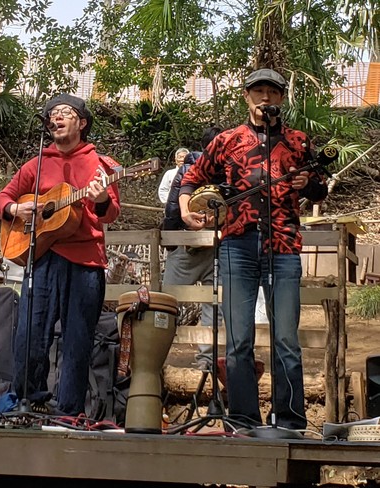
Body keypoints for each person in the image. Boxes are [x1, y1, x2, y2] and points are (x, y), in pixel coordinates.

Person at [178, 68, 327, 430]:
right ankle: (243, 418)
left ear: (281, 98)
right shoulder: (228, 140)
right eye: (258, 91)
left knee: (286, 339)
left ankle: (289, 420)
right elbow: (192, 178)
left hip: (284, 245)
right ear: (247, 97)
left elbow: (319, 190)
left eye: (272, 92)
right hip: (237, 245)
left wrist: (309, 184)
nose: (265, 98)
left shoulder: (298, 141)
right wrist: (186, 209)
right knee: (239, 339)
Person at [0, 93, 120, 415]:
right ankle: (27, 402)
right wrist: (15, 208)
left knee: (77, 342)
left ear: (83, 123)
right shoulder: (37, 162)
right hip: (42, 257)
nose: (57, 117)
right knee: (29, 336)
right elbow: (1, 199)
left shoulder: (101, 165)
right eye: (52, 113)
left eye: (65, 112)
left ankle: (70, 412)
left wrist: (101, 197)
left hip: (85, 262)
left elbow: (110, 214)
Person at [161, 127, 222, 372]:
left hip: (212, 246)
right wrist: (173, 241)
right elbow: (175, 204)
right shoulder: (191, 168)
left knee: (212, 304)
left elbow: (173, 206)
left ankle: (206, 361)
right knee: (167, 303)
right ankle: (158, 357)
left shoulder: (232, 169)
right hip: (191, 245)